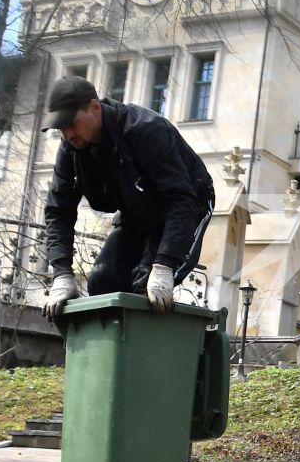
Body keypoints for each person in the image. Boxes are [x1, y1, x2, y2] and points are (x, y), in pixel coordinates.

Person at [39, 75, 214, 318]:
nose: (67, 133)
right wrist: (61, 272)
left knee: (147, 290)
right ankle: (109, 353)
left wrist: (164, 265)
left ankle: (155, 351)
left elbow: (180, 200)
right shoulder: (71, 148)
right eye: (61, 127)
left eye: (71, 123)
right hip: (136, 210)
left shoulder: (144, 130)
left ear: (94, 107)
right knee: (101, 282)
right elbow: (59, 210)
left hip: (187, 204)